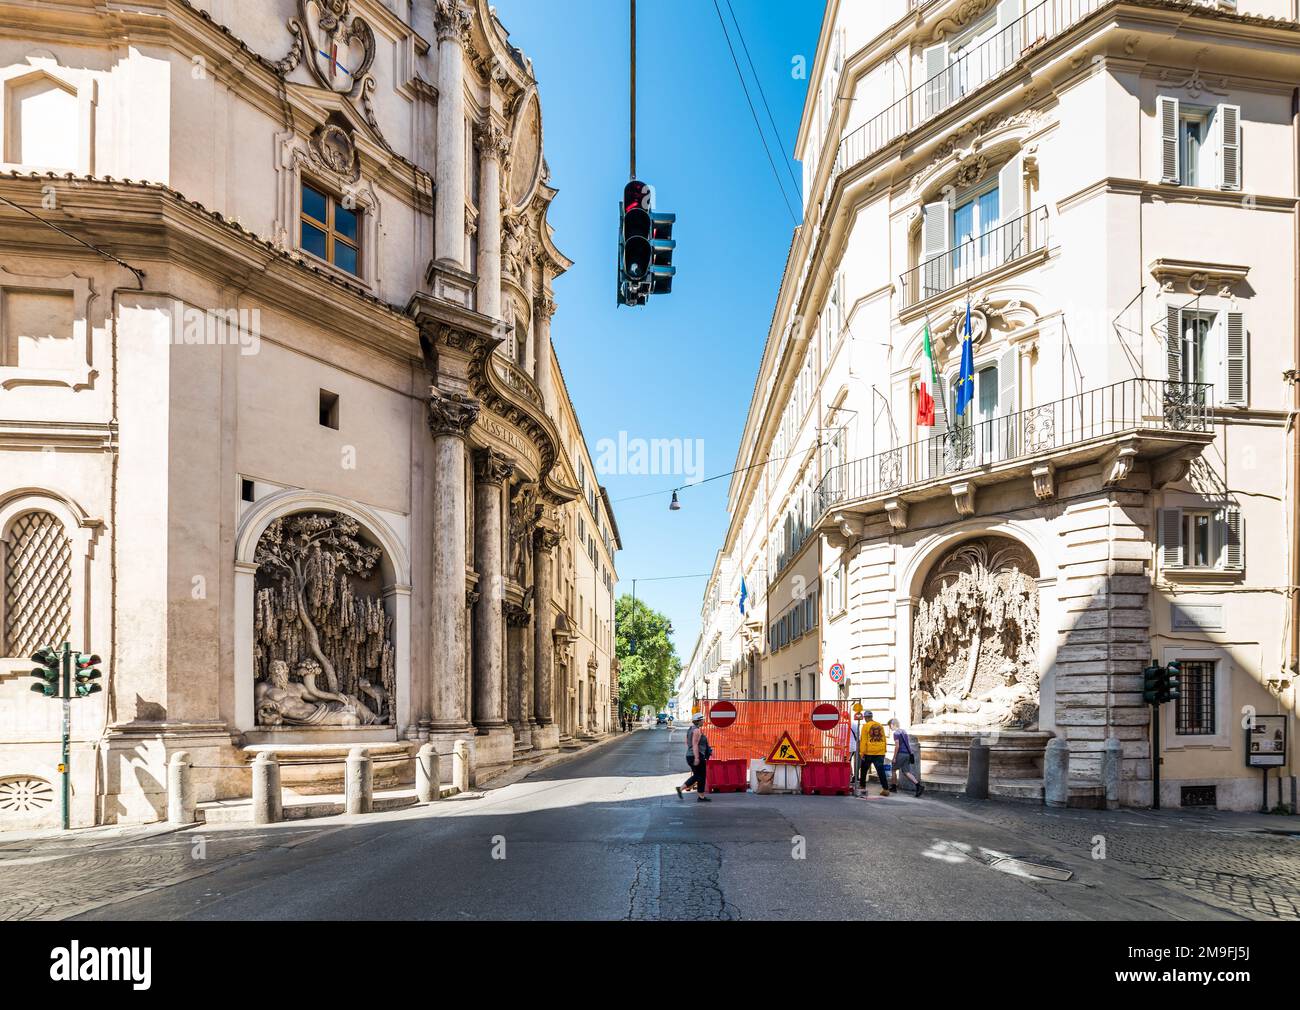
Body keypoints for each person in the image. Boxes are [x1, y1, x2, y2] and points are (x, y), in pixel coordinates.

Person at [676, 712, 712, 802]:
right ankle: (700, 796)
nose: (704, 721)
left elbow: (687, 742)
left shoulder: (690, 729)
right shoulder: (696, 730)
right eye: (702, 719)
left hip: (690, 755)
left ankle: (682, 789)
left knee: (698, 776)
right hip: (696, 755)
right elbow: (695, 744)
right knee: (701, 776)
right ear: (698, 721)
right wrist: (697, 757)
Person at [888, 718, 924, 797]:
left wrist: (894, 757)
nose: (890, 728)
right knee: (906, 772)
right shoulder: (904, 731)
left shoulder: (896, 734)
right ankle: (918, 786)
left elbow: (897, 746)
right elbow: (907, 743)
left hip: (901, 754)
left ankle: (893, 787)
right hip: (908, 754)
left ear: (892, 725)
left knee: (893, 769)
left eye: (890, 726)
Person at [858, 710, 890, 796]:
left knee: (864, 770)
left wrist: (862, 753)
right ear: (871, 717)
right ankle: (886, 789)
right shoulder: (880, 725)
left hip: (869, 752)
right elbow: (884, 739)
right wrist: (884, 750)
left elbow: (863, 741)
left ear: (865, 718)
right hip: (880, 752)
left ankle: (862, 787)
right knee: (880, 771)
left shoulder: (865, 726)